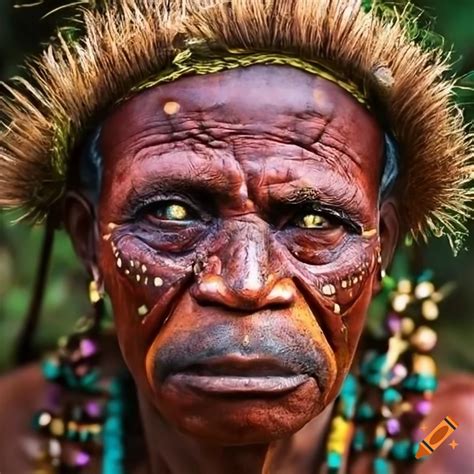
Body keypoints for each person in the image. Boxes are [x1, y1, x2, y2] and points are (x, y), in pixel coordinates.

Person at [0, 0, 473, 473]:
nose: (247, 285)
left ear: (381, 248)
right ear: (89, 243)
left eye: (313, 221)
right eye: (173, 213)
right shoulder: (13, 440)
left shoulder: (453, 448)